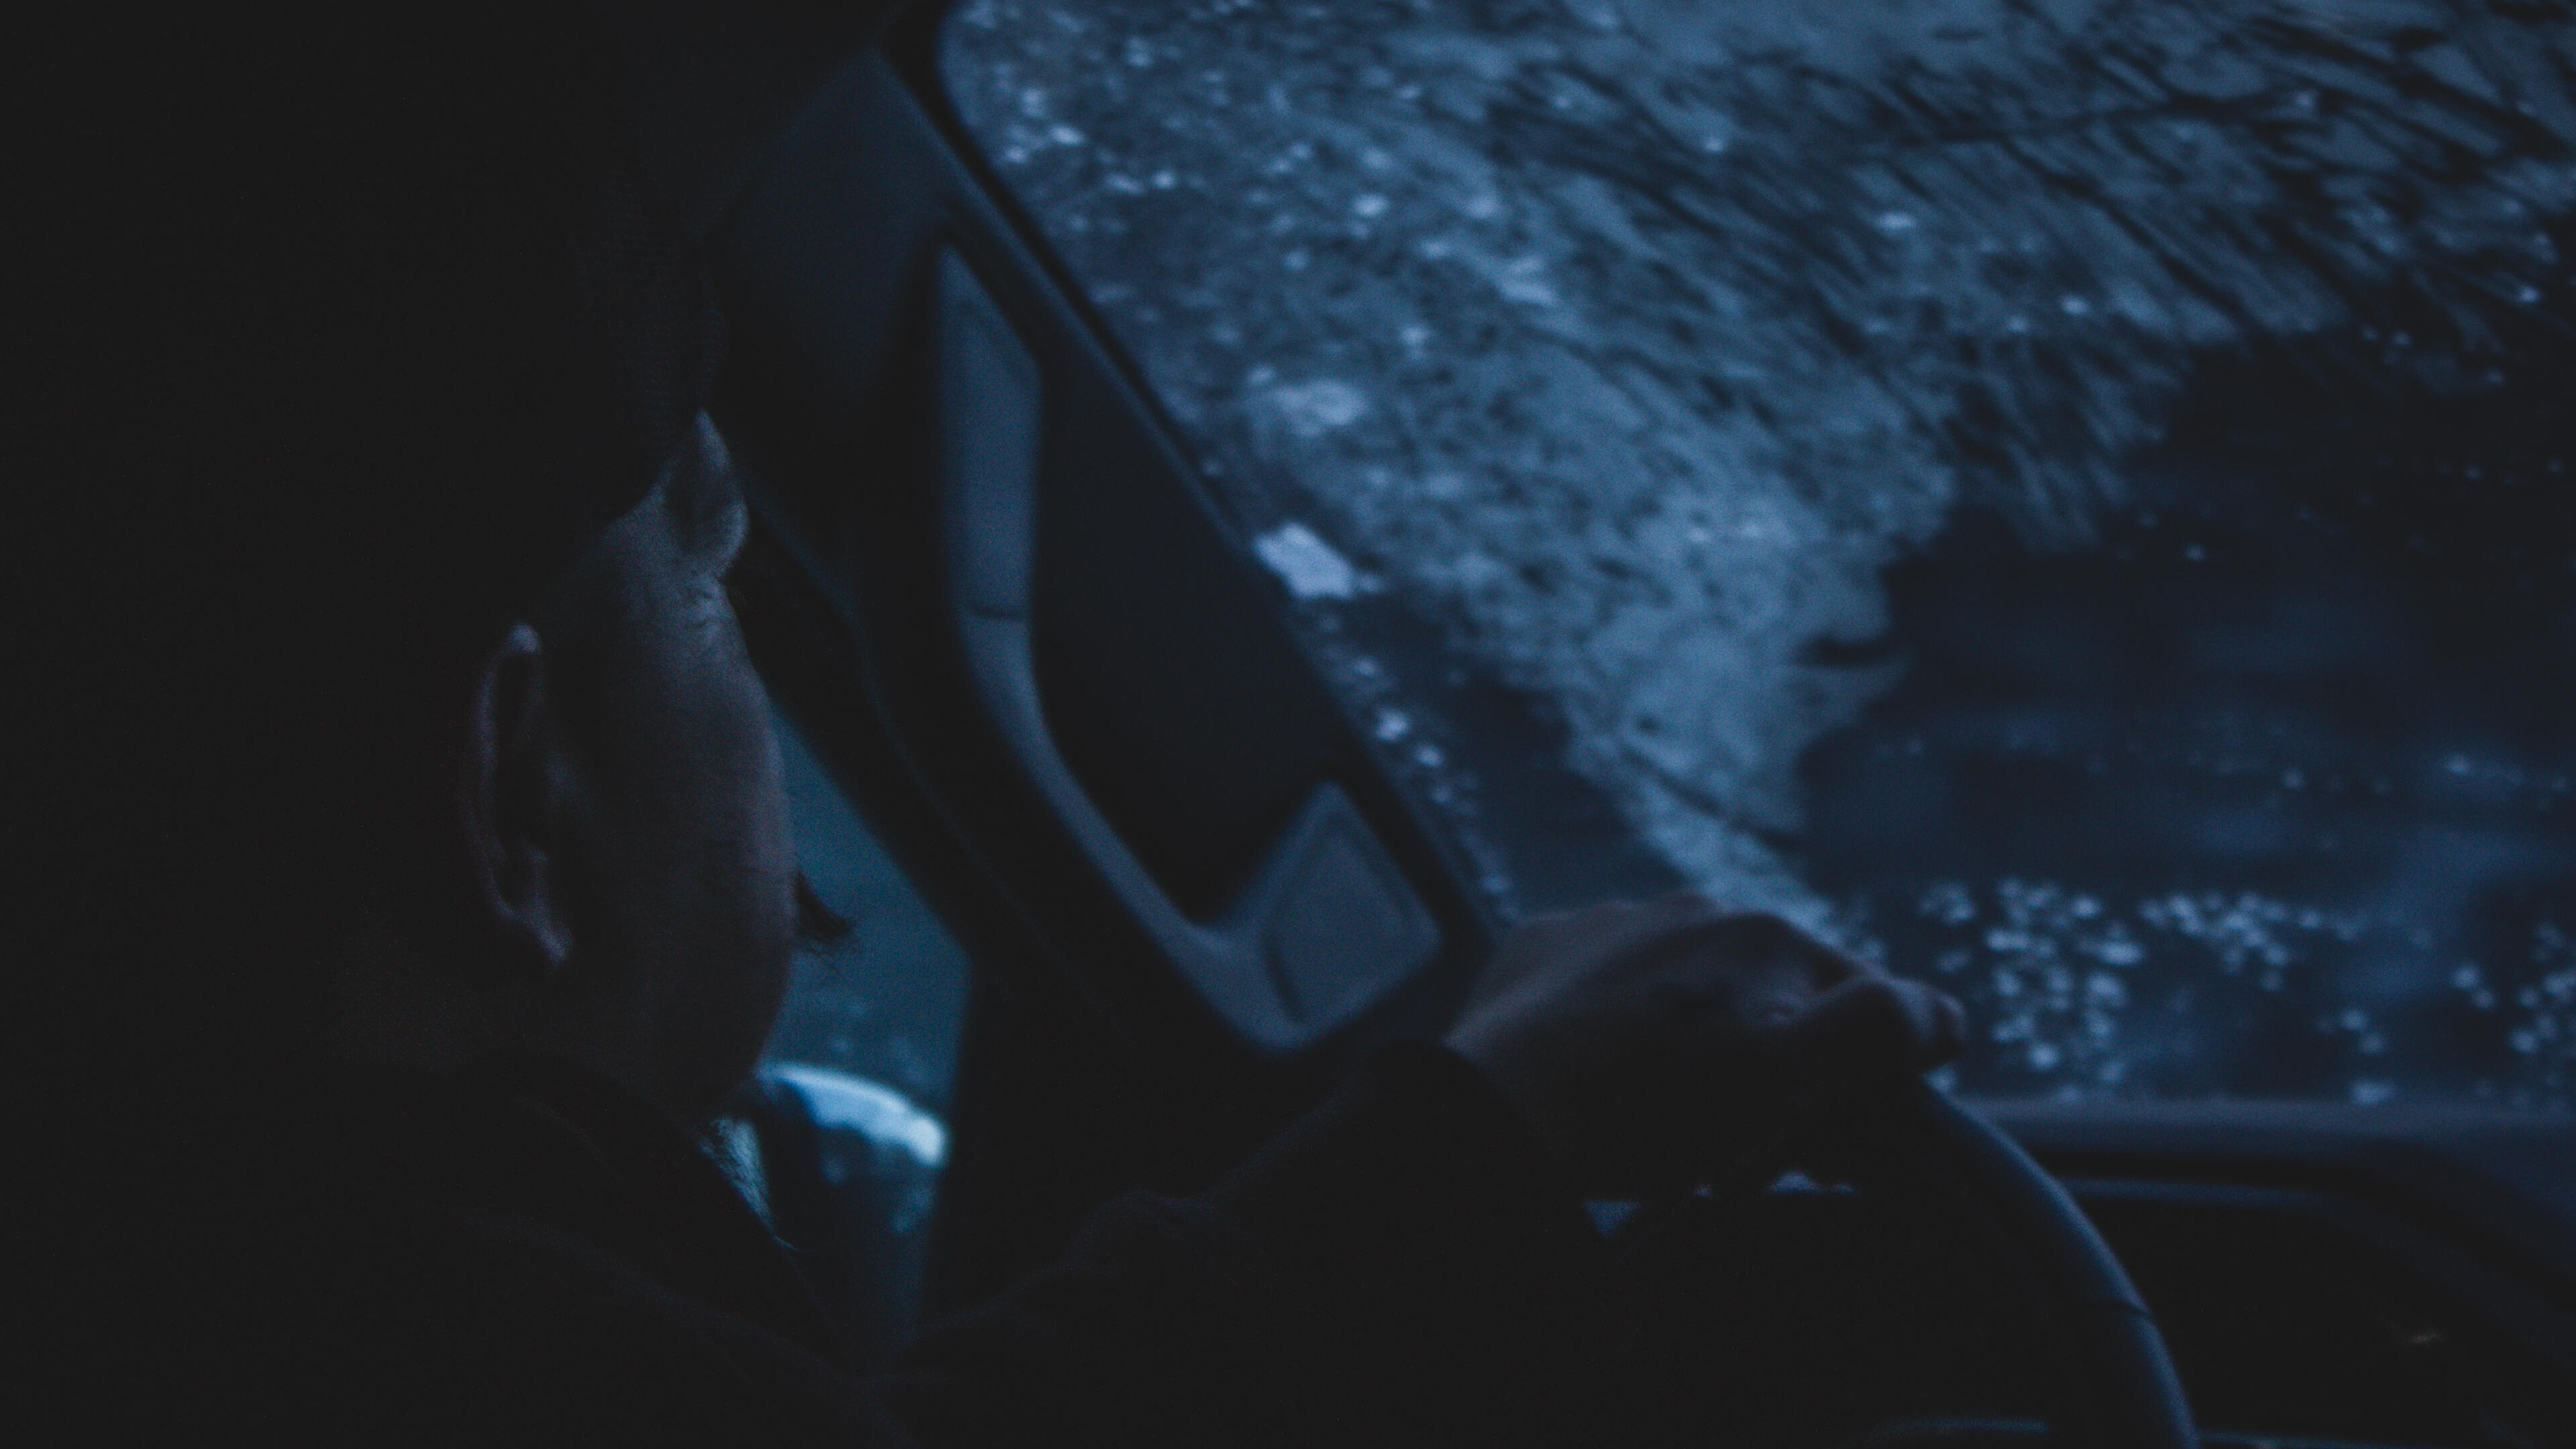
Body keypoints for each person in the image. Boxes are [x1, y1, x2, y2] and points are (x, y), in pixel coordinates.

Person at [14, 4, 1964, 1442]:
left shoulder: (154, 1290)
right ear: (511, 789)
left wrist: (1477, 1148)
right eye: (716, 572)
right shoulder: (431, 1349)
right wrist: (1488, 1152)